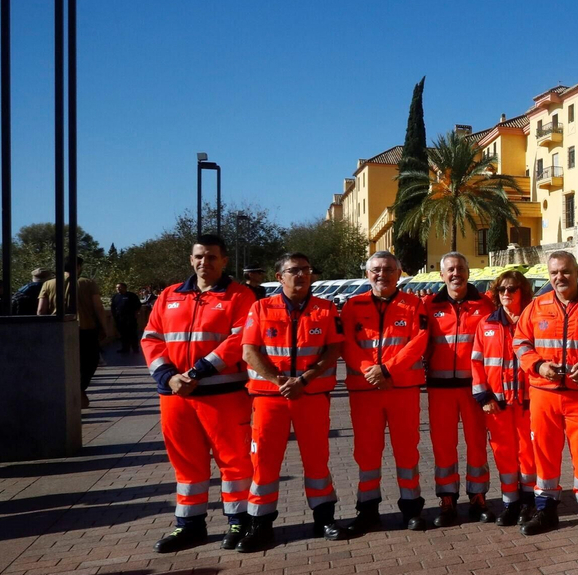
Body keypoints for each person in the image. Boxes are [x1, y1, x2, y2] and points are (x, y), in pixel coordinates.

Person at [140, 235, 257, 553]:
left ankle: (239, 520)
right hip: (176, 397)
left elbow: (239, 340)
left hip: (223, 396)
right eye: (199, 257)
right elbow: (151, 337)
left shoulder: (239, 296)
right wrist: (166, 376)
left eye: (211, 257)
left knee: (234, 462)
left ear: (224, 261)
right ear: (191, 260)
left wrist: (197, 372)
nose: (204, 262)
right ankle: (189, 525)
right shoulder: (169, 295)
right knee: (186, 464)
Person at [239, 252, 349, 550]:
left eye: (305, 269)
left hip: (311, 395)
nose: (301, 275)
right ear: (280, 277)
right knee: (263, 461)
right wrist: (280, 382)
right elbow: (249, 352)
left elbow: (332, 351)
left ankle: (324, 518)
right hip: (268, 399)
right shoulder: (261, 308)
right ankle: (260, 525)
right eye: (293, 270)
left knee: (317, 458)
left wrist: (303, 380)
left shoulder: (326, 309)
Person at [515, 251, 578, 536]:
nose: (560, 277)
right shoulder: (536, 306)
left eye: (566, 272)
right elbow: (520, 343)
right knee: (544, 454)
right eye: (554, 272)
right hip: (543, 394)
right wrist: (538, 365)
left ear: (577, 271)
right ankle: (546, 511)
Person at [341, 251, 431, 533]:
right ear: (367, 274)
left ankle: (412, 508)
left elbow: (419, 341)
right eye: (376, 269)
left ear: (399, 272)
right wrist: (372, 371)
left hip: (402, 388)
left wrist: (388, 370)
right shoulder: (352, 305)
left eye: (389, 269)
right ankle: (367, 510)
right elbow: (347, 344)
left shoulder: (414, 304)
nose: (383, 274)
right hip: (365, 390)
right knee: (366, 453)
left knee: (407, 450)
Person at [424, 252, 494, 527]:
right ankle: (447, 498)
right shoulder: (429, 306)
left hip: (473, 388)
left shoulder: (485, 305)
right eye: (450, 269)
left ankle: (478, 496)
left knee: (477, 443)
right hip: (440, 388)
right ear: (442, 275)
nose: (456, 274)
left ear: (468, 272)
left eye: (460, 269)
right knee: (443, 445)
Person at [471, 269, 534, 525]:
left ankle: (529, 502)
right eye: (502, 289)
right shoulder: (486, 324)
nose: (506, 293)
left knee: (530, 453)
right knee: (503, 453)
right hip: (497, 404)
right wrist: (484, 397)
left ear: (523, 292)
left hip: (528, 402)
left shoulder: (532, 321)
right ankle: (510, 503)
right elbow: (476, 363)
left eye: (512, 289)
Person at [40, 256, 113, 407]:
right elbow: (98, 307)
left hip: (57, 330)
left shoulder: (48, 284)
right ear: (79, 266)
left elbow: (41, 310)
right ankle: (78, 389)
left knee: (63, 364)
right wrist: (104, 327)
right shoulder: (87, 283)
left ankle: (70, 392)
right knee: (89, 362)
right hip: (85, 329)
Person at [111, 282, 142, 354]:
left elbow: (138, 305)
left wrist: (136, 313)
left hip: (130, 318)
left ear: (125, 288)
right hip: (120, 319)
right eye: (117, 287)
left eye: (120, 287)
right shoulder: (115, 297)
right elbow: (113, 307)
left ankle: (135, 348)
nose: (118, 289)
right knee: (123, 334)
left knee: (132, 334)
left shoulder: (131, 295)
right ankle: (125, 348)